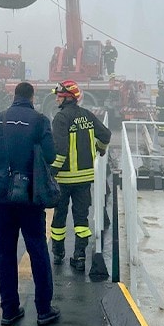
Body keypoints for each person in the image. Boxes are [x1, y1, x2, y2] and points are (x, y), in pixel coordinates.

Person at [0, 82, 60, 326]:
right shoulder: (40, 120)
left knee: (5, 253)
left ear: (13, 96)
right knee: (38, 251)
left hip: (2, 196)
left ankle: (9, 310)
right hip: (30, 196)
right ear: (32, 97)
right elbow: (51, 155)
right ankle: (43, 310)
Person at [49, 80, 112, 271]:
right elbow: (106, 135)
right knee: (81, 219)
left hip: (64, 179)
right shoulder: (87, 115)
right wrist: (100, 150)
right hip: (85, 179)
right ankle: (80, 256)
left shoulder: (60, 119)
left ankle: (58, 254)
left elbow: (60, 151)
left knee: (59, 218)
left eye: (59, 95)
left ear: (67, 97)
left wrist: (51, 173)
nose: (56, 98)